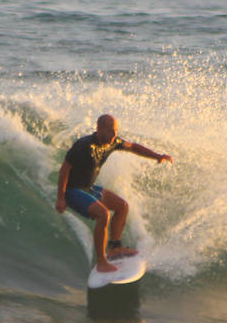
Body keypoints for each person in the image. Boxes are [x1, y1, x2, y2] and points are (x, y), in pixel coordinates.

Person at [55, 114, 173, 273]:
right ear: (99, 129)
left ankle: (115, 248)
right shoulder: (84, 145)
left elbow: (134, 147)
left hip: (88, 188)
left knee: (122, 206)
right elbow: (65, 169)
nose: (114, 135)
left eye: (115, 131)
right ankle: (102, 261)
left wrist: (157, 156)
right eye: (110, 131)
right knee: (103, 214)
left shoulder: (113, 142)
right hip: (73, 191)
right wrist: (61, 198)